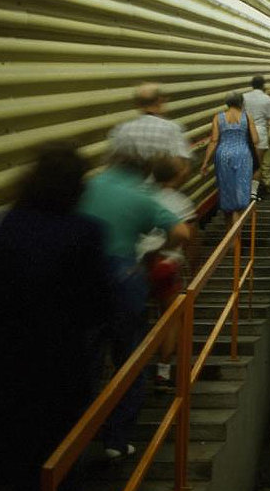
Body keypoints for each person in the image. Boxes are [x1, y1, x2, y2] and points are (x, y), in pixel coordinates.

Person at [0, 143, 112, 491]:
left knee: (3, 445)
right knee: (56, 456)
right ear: (76, 188)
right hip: (59, 368)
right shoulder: (84, 233)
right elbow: (98, 306)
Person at [78, 144, 191, 460]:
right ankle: (116, 440)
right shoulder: (141, 196)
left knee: (86, 360)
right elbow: (182, 230)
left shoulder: (86, 186)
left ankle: (77, 441)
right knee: (129, 360)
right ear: (140, 171)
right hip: (123, 278)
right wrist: (157, 253)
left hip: (84, 278)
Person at [138, 155, 198, 390]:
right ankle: (163, 371)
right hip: (167, 264)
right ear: (176, 177)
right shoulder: (181, 202)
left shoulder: (143, 196)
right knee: (171, 318)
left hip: (139, 264)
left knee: (138, 316)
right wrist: (193, 267)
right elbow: (191, 237)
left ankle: (130, 369)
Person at [110, 82, 192, 180]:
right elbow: (182, 169)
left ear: (137, 104)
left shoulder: (122, 130)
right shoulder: (172, 129)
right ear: (160, 101)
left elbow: (114, 167)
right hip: (160, 191)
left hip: (131, 191)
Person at [199, 91, 261, 222]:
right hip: (243, 154)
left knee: (226, 190)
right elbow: (255, 139)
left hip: (223, 155)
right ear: (241, 102)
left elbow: (214, 140)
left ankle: (230, 228)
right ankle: (237, 228)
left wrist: (205, 162)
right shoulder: (247, 116)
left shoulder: (218, 117)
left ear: (227, 102)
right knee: (241, 189)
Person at [241, 75, 270, 201]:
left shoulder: (244, 97)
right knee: (257, 164)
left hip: (246, 132)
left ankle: (243, 190)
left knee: (245, 163)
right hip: (260, 132)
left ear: (252, 85)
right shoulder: (267, 99)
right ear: (263, 85)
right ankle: (253, 193)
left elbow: (241, 114)